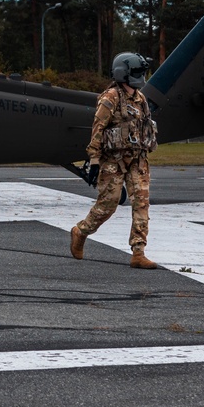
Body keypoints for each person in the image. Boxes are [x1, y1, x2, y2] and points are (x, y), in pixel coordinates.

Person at [70, 52, 159, 269]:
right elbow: (97, 130)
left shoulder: (141, 99)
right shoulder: (110, 98)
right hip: (113, 161)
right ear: (124, 74)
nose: (141, 76)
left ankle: (138, 252)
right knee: (108, 204)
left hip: (137, 160)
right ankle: (81, 231)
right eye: (137, 72)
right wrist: (94, 160)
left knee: (141, 203)